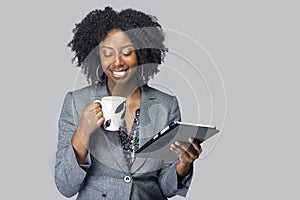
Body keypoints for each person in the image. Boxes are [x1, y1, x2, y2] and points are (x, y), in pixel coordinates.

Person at [55, 6, 202, 200]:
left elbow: (165, 188)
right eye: (107, 53)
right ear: (98, 57)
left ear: (141, 54)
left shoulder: (167, 106)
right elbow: (65, 186)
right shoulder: (76, 102)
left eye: (127, 52)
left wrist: (183, 164)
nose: (117, 62)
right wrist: (82, 132)